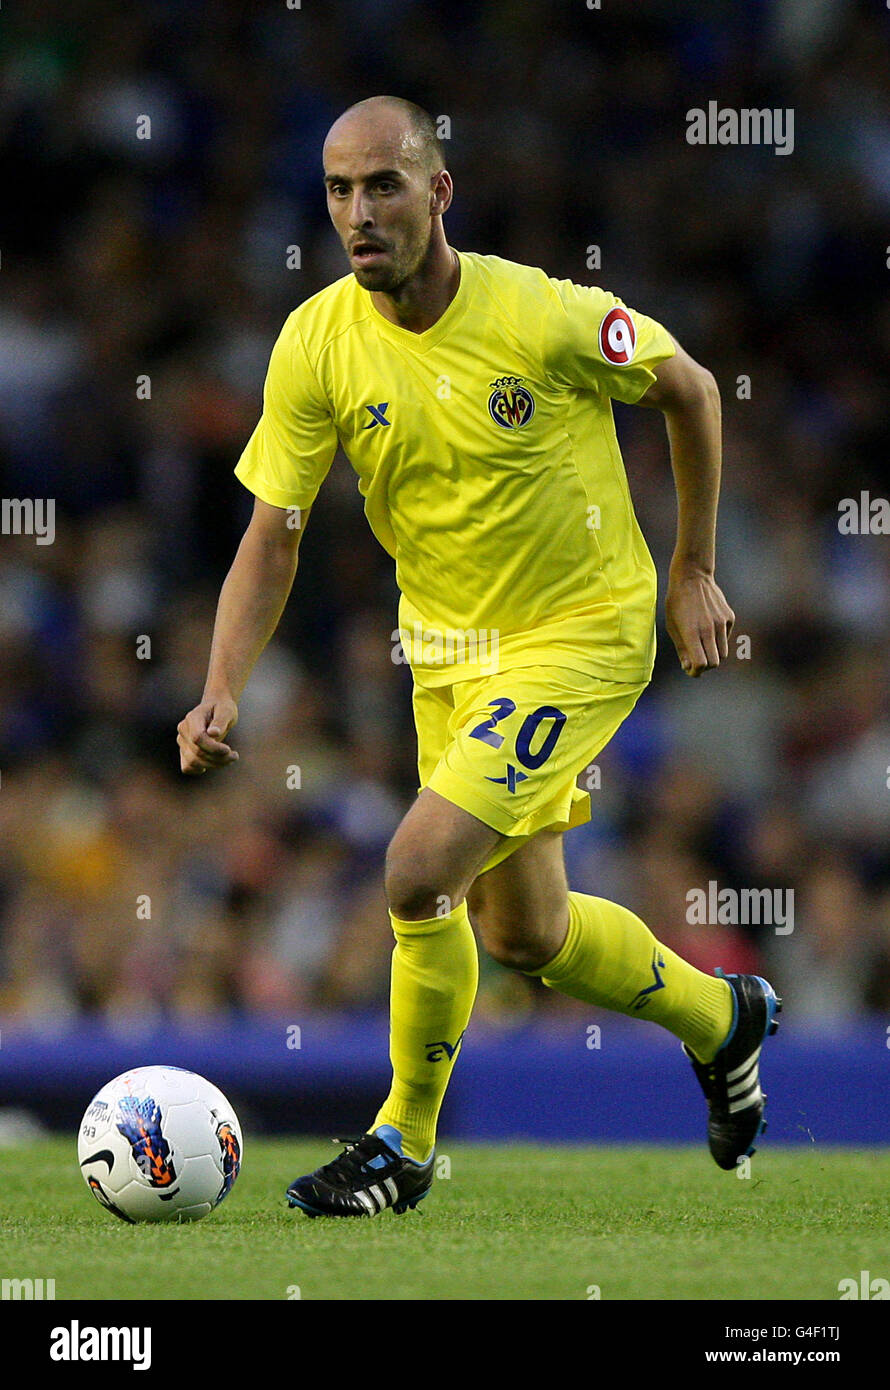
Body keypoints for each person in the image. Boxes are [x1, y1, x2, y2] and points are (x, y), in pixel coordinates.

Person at [177, 96, 780, 1218]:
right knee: (527, 935)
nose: (358, 213)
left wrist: (690, 567)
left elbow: (689, 389)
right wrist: (220, 684)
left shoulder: (541, 314)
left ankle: (398, 1140)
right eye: (338, 191)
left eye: (384, 186)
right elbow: (273, 533)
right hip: (447, 655)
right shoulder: (316, 341)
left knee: (415, 869)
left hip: (579, 632)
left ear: (438, 192)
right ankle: (722, 1018)